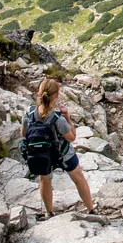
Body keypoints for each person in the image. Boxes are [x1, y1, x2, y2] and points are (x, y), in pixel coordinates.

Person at [21, 78, 95, 219]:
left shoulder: (29, 113)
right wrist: (68, 118)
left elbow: (23, 134)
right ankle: (91, 210)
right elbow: (72, 137)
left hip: (41, 154)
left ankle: (49, 212)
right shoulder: (58, 119)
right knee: (79, 179)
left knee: (44, 179)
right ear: (56, 96)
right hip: (62, 154)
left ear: (39, 93)